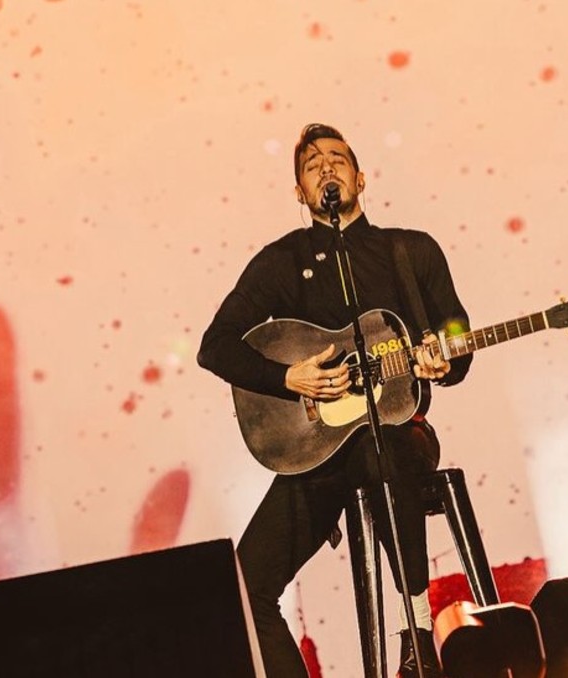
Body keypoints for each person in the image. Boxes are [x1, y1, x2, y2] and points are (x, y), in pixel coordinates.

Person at [197, 123, 472, 678]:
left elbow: (457, 339)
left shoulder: (410, 252)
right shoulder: (281, 261)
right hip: (316, 456)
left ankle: (416, 634)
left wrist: (445, 361)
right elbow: (214, 346)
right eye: (311, 164)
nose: (326, 167)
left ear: (361, 178)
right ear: (300, 192)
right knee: (247, 586)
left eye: (338, 159)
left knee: (379, 453)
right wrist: (288, 379)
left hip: (400, 436)